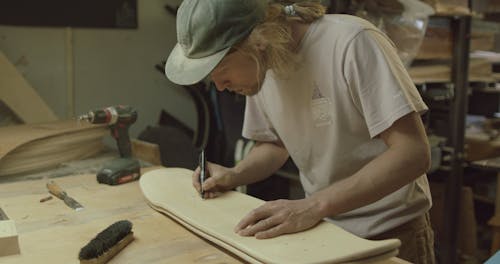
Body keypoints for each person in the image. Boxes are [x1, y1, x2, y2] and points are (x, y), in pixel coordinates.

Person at [165, 0, 435, 263]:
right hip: (324, 230)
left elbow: (412, 153)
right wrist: (234, 175)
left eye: (221, 70)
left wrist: (313, 206)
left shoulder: (351, 42)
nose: (220, 86)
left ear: (257, 40)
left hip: (390, 234)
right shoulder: (263, 62)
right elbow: (275, 145)